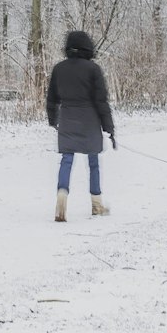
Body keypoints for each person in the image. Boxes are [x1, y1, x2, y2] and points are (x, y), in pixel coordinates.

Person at [46, 29, 115, 222]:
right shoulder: (93, 70)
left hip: (67, 118)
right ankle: (96, 204)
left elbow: (51, 99)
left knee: (66, 159)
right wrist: (109, 127)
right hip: (90, 120)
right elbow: (102, 101)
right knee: (93, 162)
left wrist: (53, 120)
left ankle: (61, 196)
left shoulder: (59, 69)